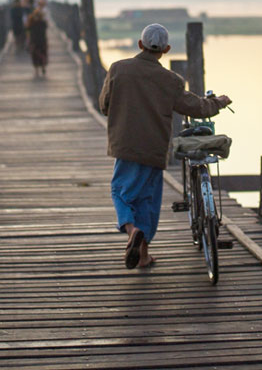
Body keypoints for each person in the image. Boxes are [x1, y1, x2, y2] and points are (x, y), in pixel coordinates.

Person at [98, 23, 232, 269]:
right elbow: (195, 107)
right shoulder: (170, 80)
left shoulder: (118, 69)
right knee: (147, 200)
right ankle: (144, 256)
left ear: (140, 44)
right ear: (166, 49)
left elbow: (104, 105)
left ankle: (131, 231)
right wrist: (218, 103)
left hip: (126, 146)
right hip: (155, 149)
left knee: (121, 192)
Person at [25, 0, 48, 76]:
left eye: (38, 16)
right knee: (35, 56)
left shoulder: (42, 23)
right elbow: (27, 31)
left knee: (43, 55)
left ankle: (43, 68)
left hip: (42, 41)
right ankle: (37, 70)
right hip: (34, 41)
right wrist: (28, 40)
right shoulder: (31, 23)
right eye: (36, 16)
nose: (37, 17)